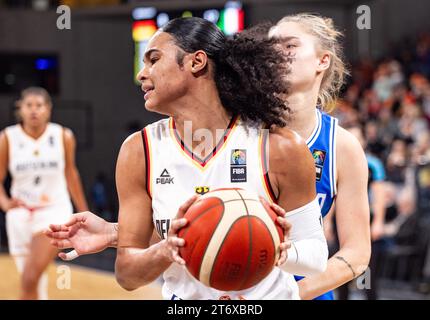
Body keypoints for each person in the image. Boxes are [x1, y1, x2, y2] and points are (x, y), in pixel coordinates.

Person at [46, 17, 328, 300]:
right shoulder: (139, 150)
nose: (142, 74)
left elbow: (315, 256)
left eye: (153, 60)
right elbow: (127, 274)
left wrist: (274, 248)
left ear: (196, 62)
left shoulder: (279, 146)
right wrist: (168, 248)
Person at [267, 14, 371, 300]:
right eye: (271, 47)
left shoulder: (343, 146)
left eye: (289, 46)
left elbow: (357, 252)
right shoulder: (239, 131)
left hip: (304, 290)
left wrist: (290, 293)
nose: (277, 53)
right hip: (237, 287)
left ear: (322, 61)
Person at [0, 87, 88, 300]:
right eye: (28, 105)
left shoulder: (63, 135)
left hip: (53, 211)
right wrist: (4, 203)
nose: (34, 110)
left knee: (29, 277)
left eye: (39, 105)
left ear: (48, 109)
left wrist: (84, 213)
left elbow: (71, 175)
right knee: (32, 280)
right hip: (20, 215)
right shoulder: (7, 138)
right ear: (20, 109)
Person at [336, 124, 387, 300]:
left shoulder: (373, 163)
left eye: (358, 137)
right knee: (338, 266)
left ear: (364, 140)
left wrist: (378, 221)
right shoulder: (338, 160)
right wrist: (327, 223)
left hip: (364, 219)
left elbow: (379, 194)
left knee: (366, 270)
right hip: (341, 220)